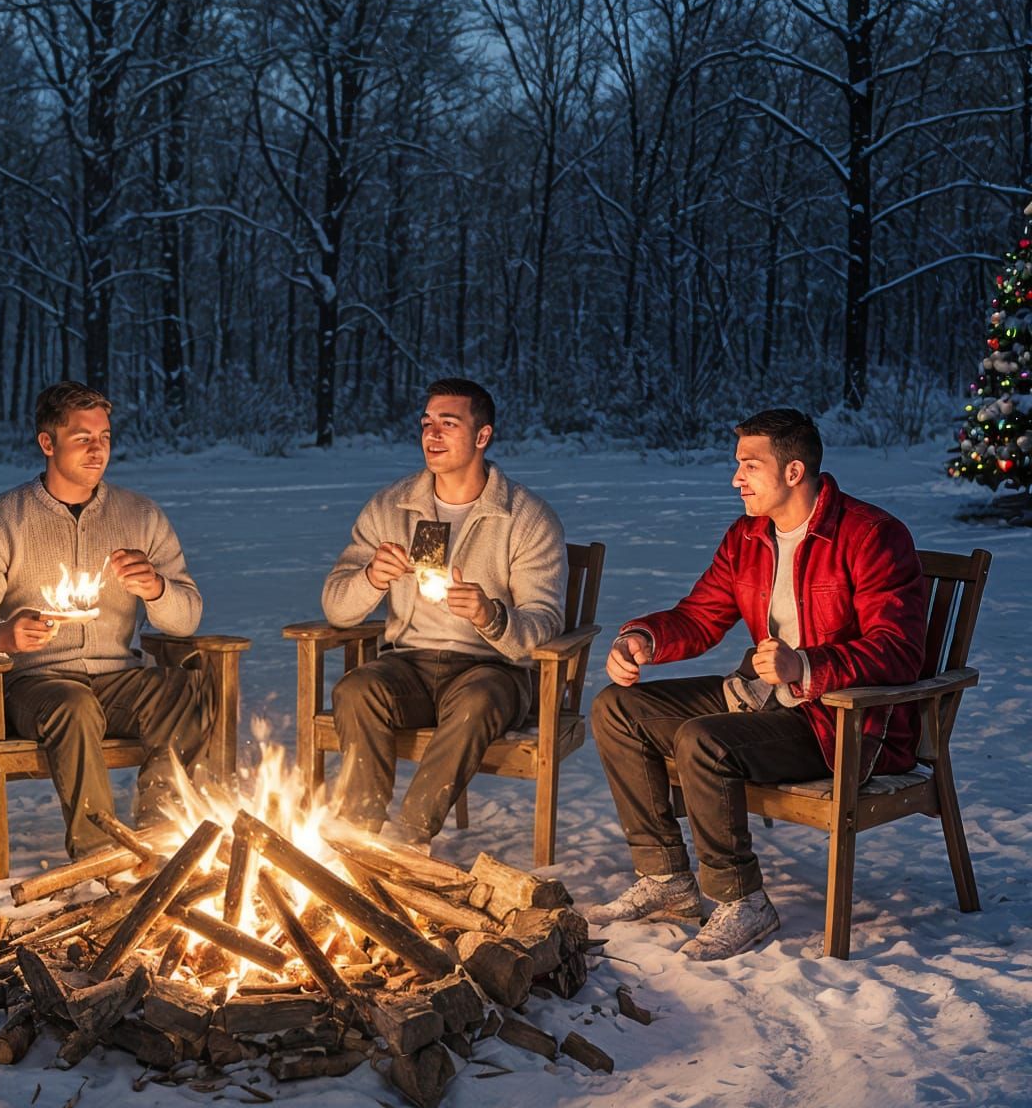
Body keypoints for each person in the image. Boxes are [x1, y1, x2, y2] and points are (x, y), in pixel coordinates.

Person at [589, 408, 927, 960]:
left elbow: (900, 650)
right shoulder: (749, 536)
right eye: (737, 463)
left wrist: (808, 666)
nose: (736, 478)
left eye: (750, 464)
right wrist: (644, 639)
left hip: (842, 723)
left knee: (703, 740)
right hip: (763, 698)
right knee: (617, 708)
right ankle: (667, 878)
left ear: (794, 472)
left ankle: (742, 900)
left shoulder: (872, 536)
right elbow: (700, 614)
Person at [0, 382, 214, 858]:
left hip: (117, 679)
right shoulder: (1, 521)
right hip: (37, 686)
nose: (97, 449)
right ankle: (99, 852)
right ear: (47, 443)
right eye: (82, 437)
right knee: (73, 703)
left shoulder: (141, 516)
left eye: (105, 436)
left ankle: (160, 840)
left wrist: (156, 588)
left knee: (183, 691)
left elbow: (187, 617)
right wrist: (1, 634)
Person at [321, 377, 566, 847]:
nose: (431, 435)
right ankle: (356, 835)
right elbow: (335, 606)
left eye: (448, 424)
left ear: (482, 436)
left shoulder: (526, 517)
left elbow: (544, 621)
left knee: (476, 702)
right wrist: (371, 577)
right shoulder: (392, 507)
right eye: (427, 423)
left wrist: (490, 614)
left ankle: (408, 838)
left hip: (490, 669)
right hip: (406, 665)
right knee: (357, 688)